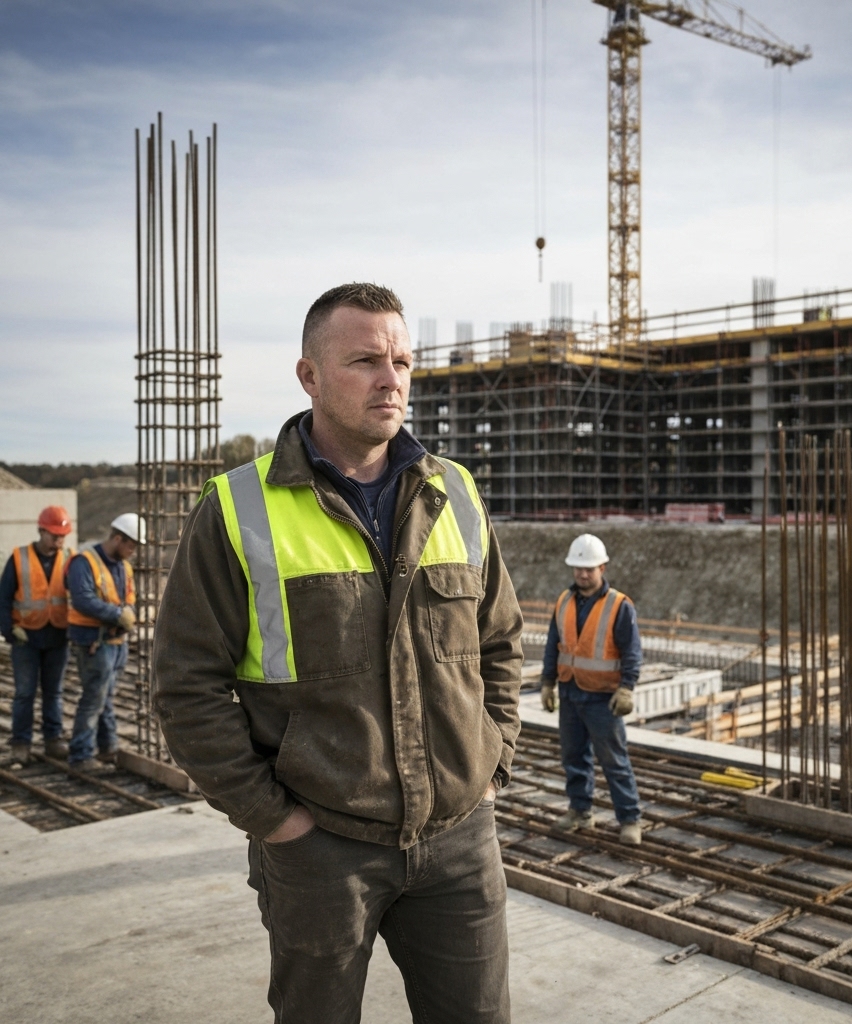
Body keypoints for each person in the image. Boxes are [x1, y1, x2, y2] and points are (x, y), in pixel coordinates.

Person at [153, 282, 523, 1024]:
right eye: (365, 361)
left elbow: (500, 642)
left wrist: (492, 764)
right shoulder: (237, 508)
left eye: (403, 361)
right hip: (322, 848)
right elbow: (186, 686)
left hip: (457, 841)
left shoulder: (455, 491)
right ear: (310, 376)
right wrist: (274, 819)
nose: (393, 380)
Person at [540, 533, 644, 845]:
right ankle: (580, 811)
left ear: (603, 567)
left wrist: (627, 688)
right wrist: (547, 683)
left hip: (602, 698)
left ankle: (629, 818)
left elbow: (632, 652)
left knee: (614, 760)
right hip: (571, 692)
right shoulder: (564, 601)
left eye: (589, 569)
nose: (583, 574)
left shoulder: (619, 606)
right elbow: (552, 646)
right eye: (578, 568)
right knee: (574, 757)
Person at [65, 513, 142, 769]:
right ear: (117, 538)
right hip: (93, 642)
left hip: (116, 643)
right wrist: (119, 614)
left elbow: (129, 595)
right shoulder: (84, 562)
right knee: (93, 698)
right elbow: (83, 599)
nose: (132, 552)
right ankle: (81, 755)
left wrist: (128, 609)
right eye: (131, 545)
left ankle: (107, 748)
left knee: (106, 696)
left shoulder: (124, 566)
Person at [0, 505, 75, 762]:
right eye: (54, 535)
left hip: (58, 637)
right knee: (24, 693)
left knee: (54, 693)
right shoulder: (19, 558)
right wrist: (9, 631)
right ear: (41, 530)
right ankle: (20, 744)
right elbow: (4, 599)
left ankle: (53, 740)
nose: (59, 540)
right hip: (26, 639)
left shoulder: (69, 558)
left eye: (62, 536)